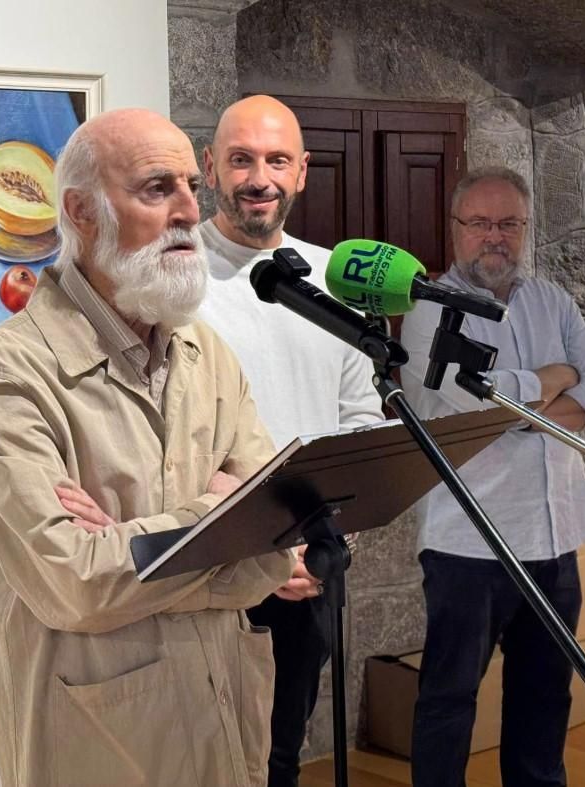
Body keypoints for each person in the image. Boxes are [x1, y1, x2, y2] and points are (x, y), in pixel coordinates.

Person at [0, 108, 304, 787]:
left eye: (188, 188)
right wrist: (218, 517)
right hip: (98, 741)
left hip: (223, 719)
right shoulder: (10, 373)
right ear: (82, 212)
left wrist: (137, 547)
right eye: (154, 189)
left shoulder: (206, 354)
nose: (185, 212)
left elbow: (275, 548)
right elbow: (75, 583)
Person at [399, 166, 585, 787]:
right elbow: (470, 404)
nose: (494, 237)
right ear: (455, 230)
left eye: (508, 224)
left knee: (544, 699)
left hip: (555, 537)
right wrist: (552, 380)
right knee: (449, 700)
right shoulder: (428, 309)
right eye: (480, 224)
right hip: (469, 543)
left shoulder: (552, 300)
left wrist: (526, 407)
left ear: (525, 230)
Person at [197, 94, 385, 787]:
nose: (259, 178)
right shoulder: (175, 278)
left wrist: (331, 534)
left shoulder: (333, 279)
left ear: (303, 171)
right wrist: (268, 544)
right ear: (208, 166)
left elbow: (360, 419)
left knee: (284, 755)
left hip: (312, 568)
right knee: (215, 760)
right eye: (241, 159)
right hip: (214, 562)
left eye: (277, 159)